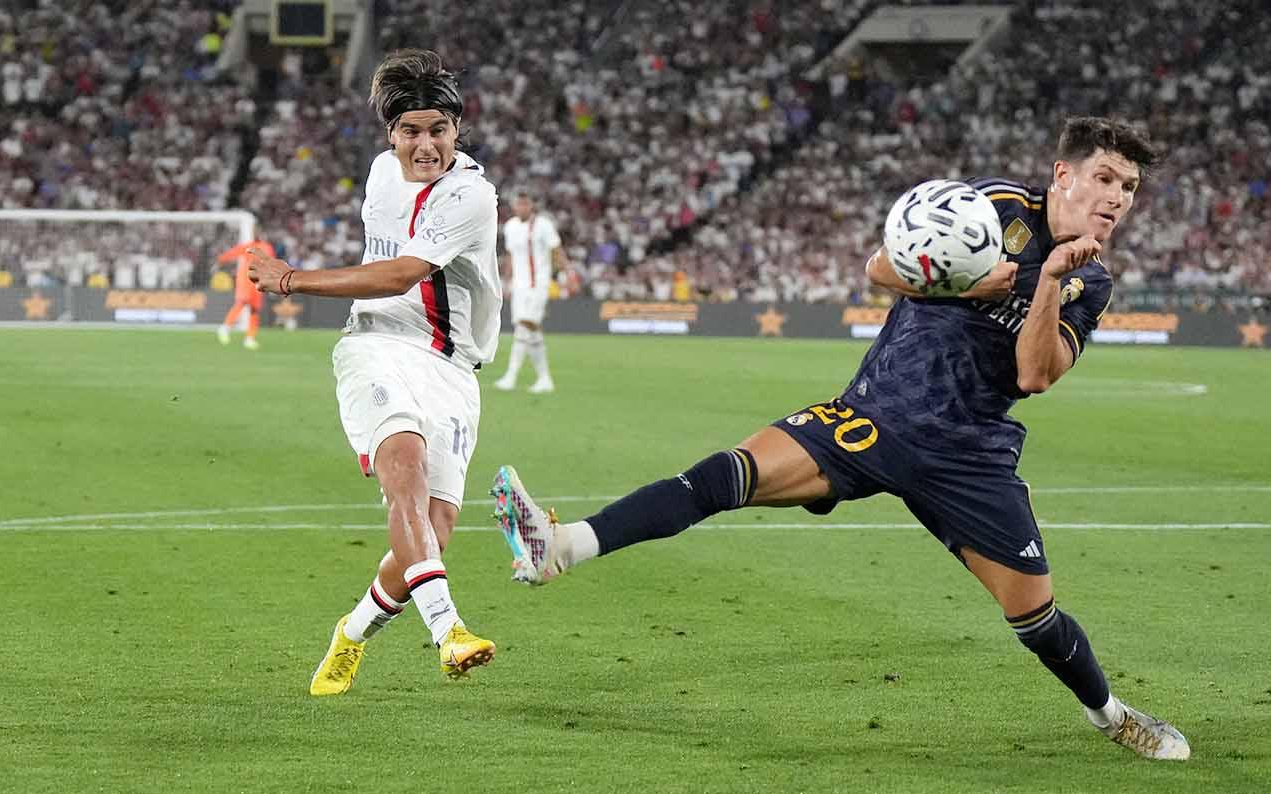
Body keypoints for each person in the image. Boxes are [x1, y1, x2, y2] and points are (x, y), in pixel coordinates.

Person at [492, 117, 1190, 760]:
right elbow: (880, 269)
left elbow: (1035, 375)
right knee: (727, 475)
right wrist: (971, 285)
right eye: (1105, 177)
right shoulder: (992, 208)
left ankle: (1110, 714)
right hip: (874, 417)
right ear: (1063, 175)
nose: (1118, 196)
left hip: (969, 456)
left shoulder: (1090, 281)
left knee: (1035, 618)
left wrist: (1049, 285)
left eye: (1128, 186)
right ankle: (562, 547)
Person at [247, 49, 502, 695]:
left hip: (451, 365)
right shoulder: (379, 173)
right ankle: (450, 632)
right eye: (411, 130)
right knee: (404, 469)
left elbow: (403, 271)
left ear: (456, 132)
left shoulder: (470, 194)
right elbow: (385, 285)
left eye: (438, 130)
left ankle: (352, 634)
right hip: (376, 343)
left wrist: (291, 281)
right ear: (391, 134)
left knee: (434, 532)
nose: (425, 145)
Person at [493, 192, 567, 393]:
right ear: (515, 206)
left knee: (525, 327)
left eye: (526, 203)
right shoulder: (510, 226)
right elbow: (510, 256)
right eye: (519, 204)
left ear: (532, 205)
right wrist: (507, 282)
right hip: (519, 285)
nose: (522, 207)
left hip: (538, 284)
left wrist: (568, 274)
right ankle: (545, 379)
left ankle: (511, 375)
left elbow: (556, 250)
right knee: (531, 332)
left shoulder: (543, 225)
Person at [215, 239, 273, 350]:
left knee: (254, 310)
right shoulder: (249, 246)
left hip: (258, 280)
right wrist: (222, 258)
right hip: (246, 279)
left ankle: (249, 338)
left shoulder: (267, 247)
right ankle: (225, 328)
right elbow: (233, 253)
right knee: (241, 303)